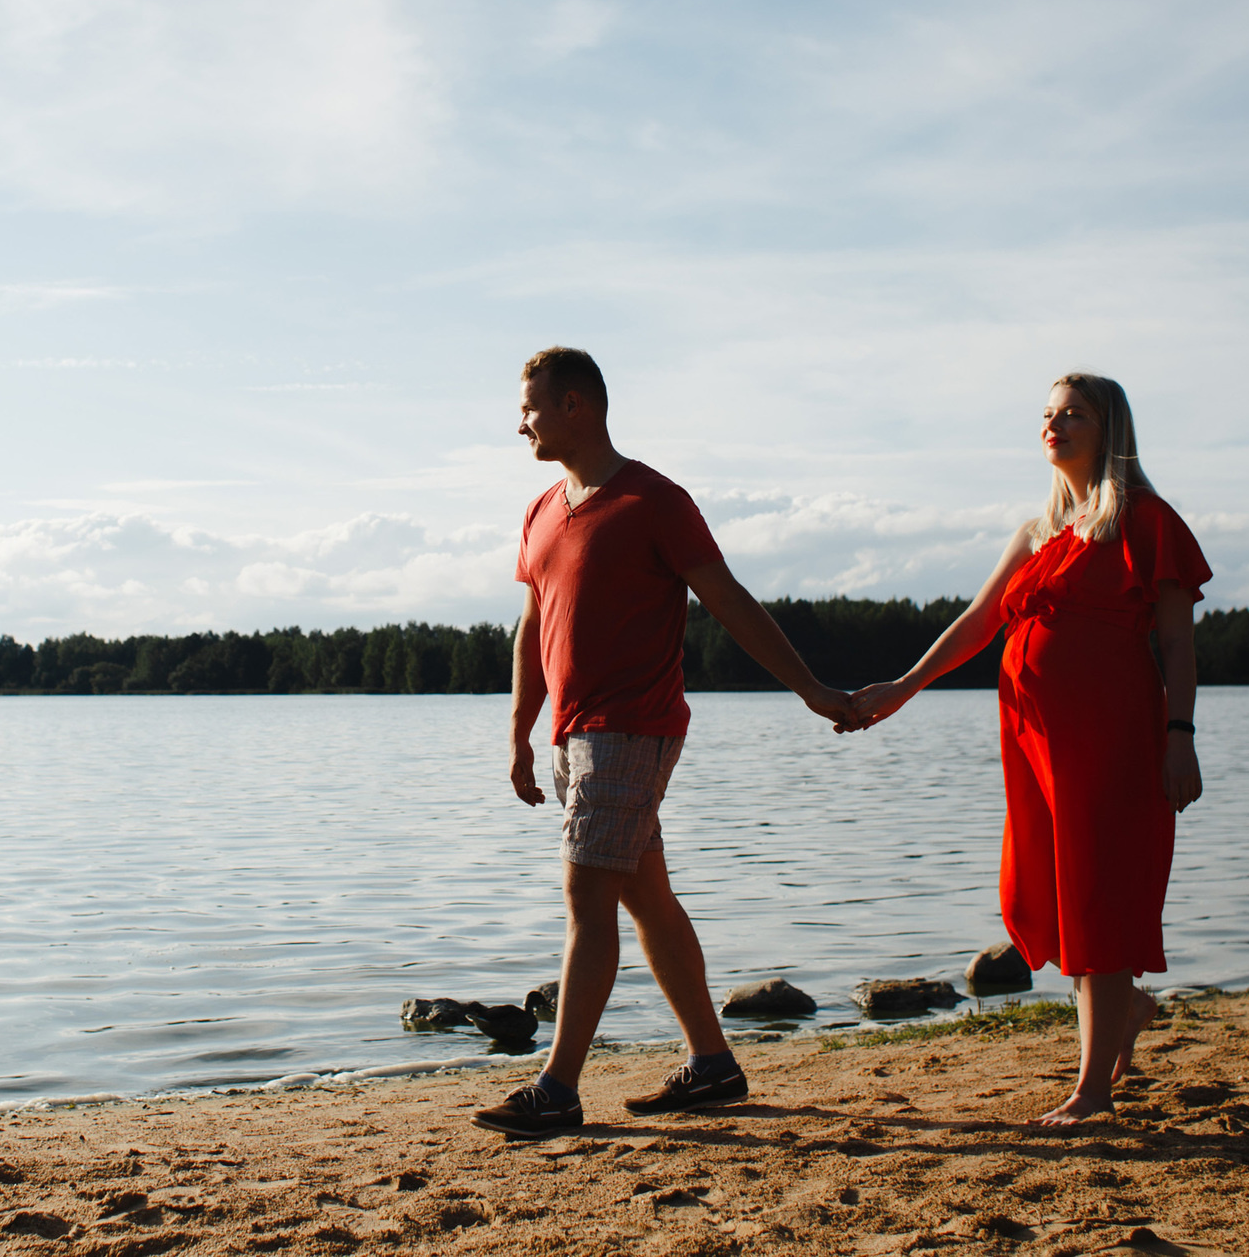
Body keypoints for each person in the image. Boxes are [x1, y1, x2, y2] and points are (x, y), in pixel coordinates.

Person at [475, 346, 856, 1140]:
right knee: (644, 896)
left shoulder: (654, 501)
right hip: (574, 735)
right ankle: (713, 1063)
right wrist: (518, 732)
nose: (521, 424)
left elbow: (731, 601)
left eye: (531, 408)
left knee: (586, 896)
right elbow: (533, 626)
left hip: (631, 729)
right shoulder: (543, 509)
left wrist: (813, 690)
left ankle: (558, 1087)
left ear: (577, 405)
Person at [848, 372, 1209, 1125]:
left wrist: (1182, 736)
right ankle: (1126, 1009)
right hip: (1035, 744)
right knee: (1049, 890)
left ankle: (1092, 1090)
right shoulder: (1037, 531)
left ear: (1109, 428)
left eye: (1073, 414)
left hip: (1111, 737)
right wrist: (905, 684)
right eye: (1047, 415)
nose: (1054, 425)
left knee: (1098, 895)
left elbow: (1177, 640)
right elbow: (980, 624)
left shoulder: (1144, 520)